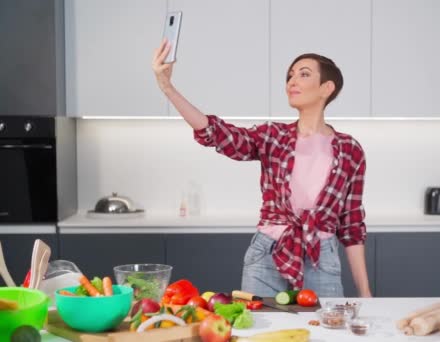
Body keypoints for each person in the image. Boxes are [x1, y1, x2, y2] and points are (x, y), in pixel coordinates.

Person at [152, 39, 372, 298]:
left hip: (320, 256)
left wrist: (365, 293)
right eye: (290, 75)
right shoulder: (272, 136)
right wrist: (167, 87)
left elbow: (352, 226)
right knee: (260, 333)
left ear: (327, 88)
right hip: (267, 252)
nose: (292, 81)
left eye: (303, 74)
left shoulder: (350, 150)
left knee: (324, 332)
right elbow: (217, 133)